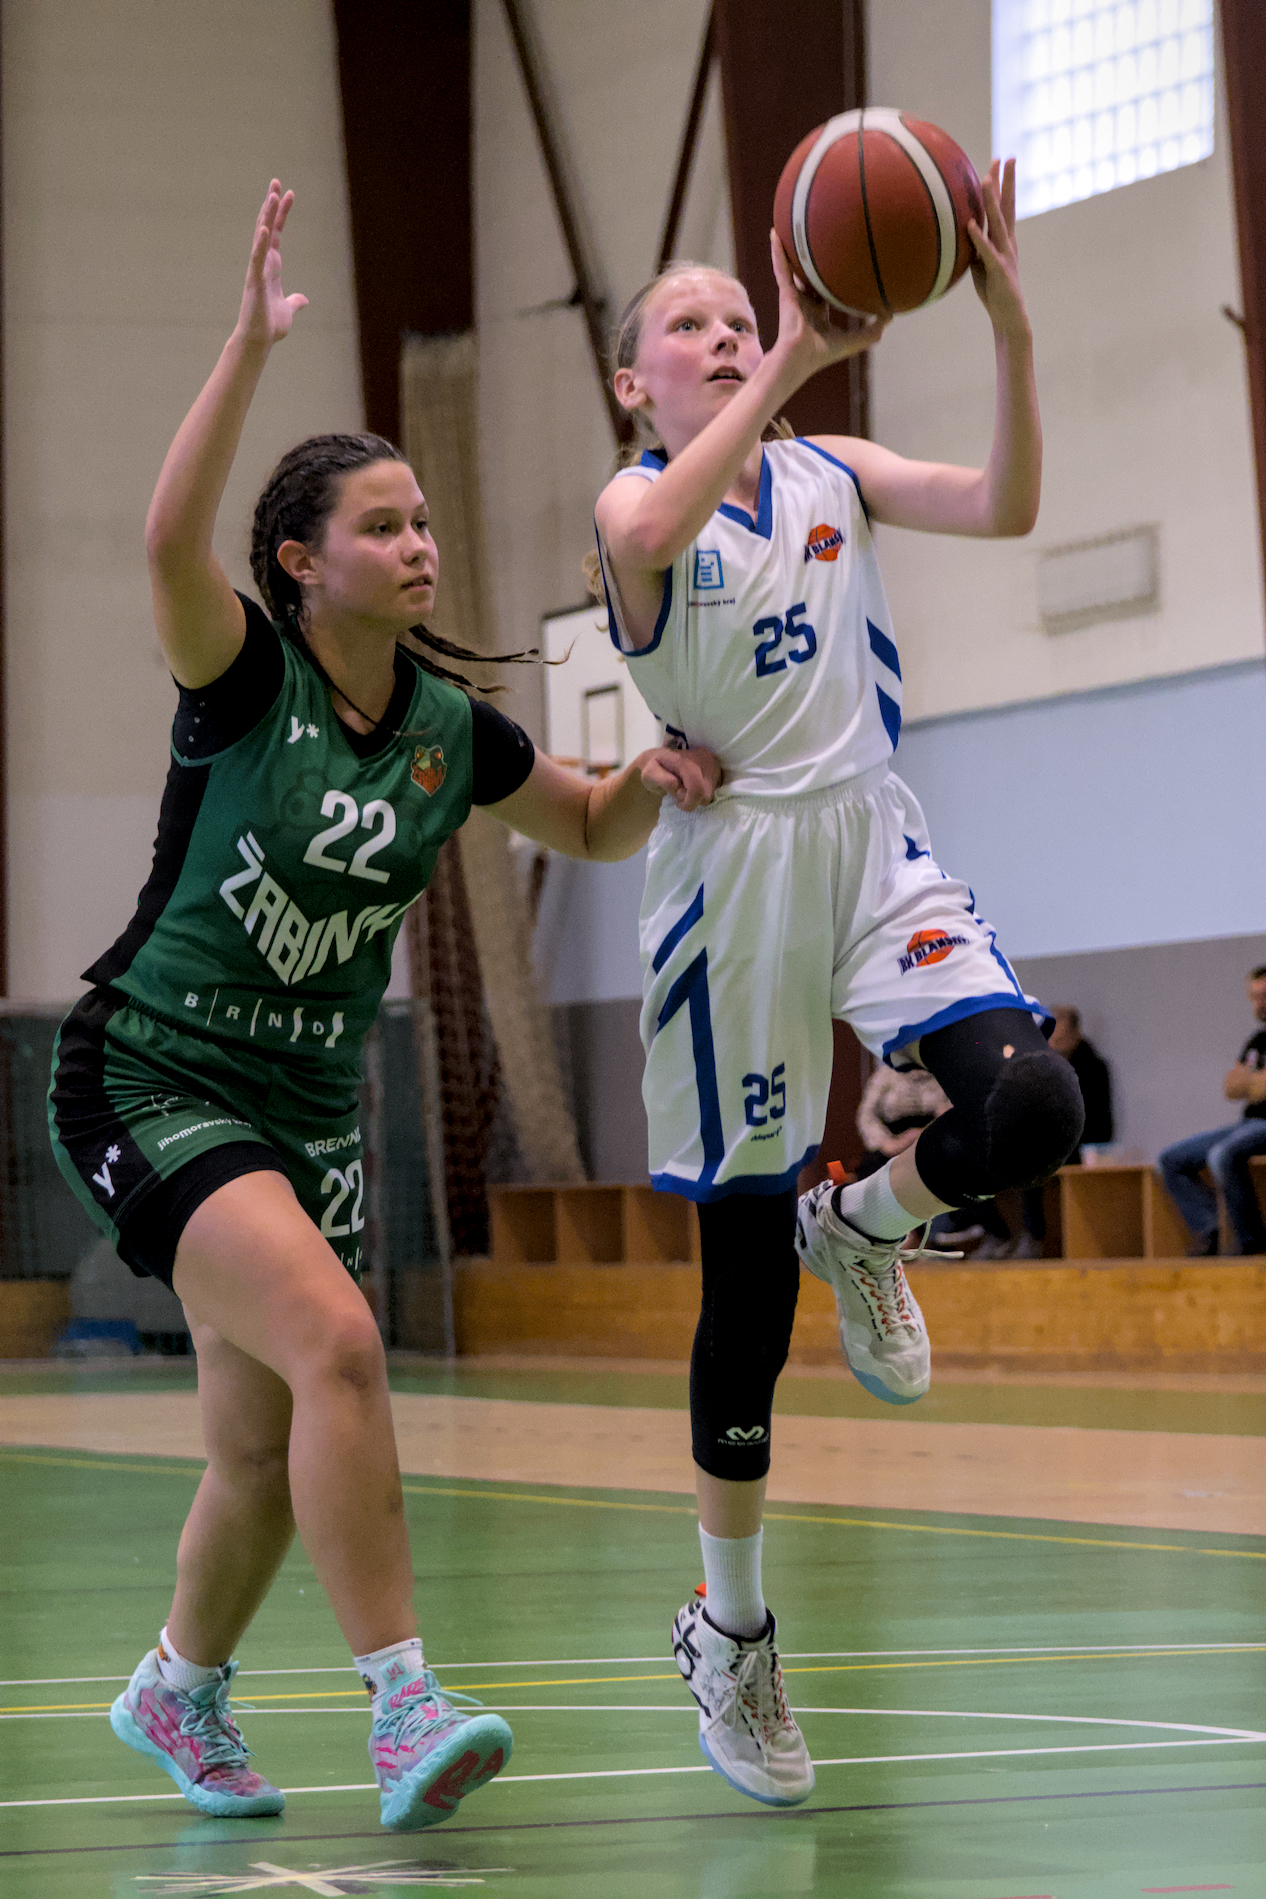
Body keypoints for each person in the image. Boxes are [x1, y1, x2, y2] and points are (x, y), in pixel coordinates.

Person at [46, 183, 720, 1833]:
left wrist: (662, 774)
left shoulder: (447, 726)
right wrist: (245, 344)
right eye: (384, 525)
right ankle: (402, 1693)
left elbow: (583, 820)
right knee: (343, 1343)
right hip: (152, 1074)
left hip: (303, 1111)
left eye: (425, 523)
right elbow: (165, 540)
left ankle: (177, 1684)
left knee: (264, 1450)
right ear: (302, 561)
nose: (420, 545)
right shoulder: (244, 675)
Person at [591, 158, 1083, 1809]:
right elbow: (647, 531)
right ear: (632, 379)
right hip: (728, 879)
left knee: (1035, 1101)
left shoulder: (832, 469)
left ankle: (865, 1221)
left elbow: (1006, 505)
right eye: (691, 325)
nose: (728, 332)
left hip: (870, 842)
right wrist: (803, 347)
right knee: (742, 1295)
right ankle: (729, 1630)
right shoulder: (630, 508)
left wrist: (1008, 324)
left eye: (741, 314)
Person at [1158, 966, 1266, 1256]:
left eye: (1265, 996)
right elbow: (1231, 1088)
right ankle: (1210, 1228)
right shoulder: (1257, 1041)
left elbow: (1247, 1084)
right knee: (1171, 1160)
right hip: (1249, 1123)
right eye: (1255, 997)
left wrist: (1250, 1082)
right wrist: (1255, 1084)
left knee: (1221, 1155)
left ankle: (1250, 1240)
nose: (1260, 1003)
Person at [1008, 1005, 1114, 1258]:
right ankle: (1024, 1235)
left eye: (1061, 1039)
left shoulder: (1093, 1068)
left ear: (1076, 1035)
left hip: (1085, 1143)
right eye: (1051, 1039)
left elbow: (1095, 1119)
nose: (1055, 1045)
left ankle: (1040, 1238)